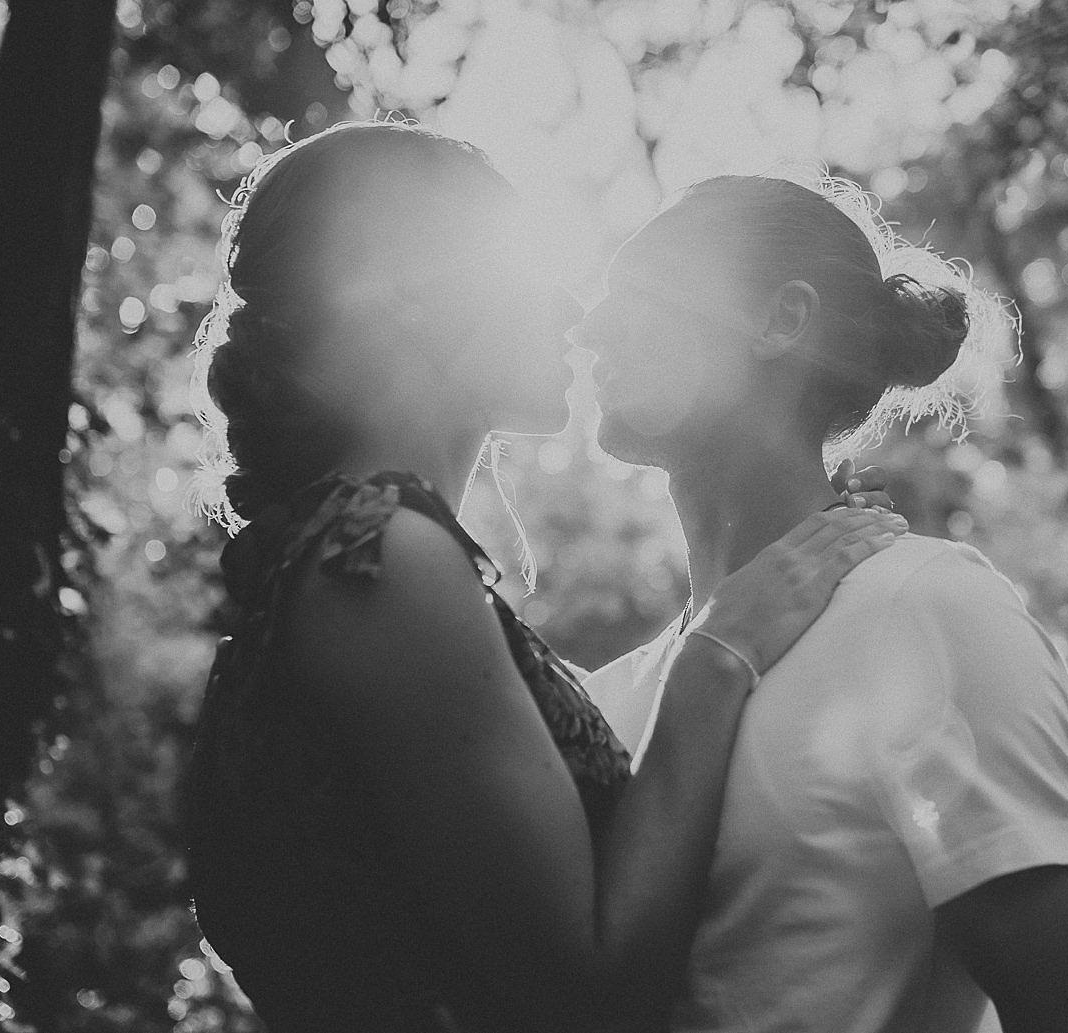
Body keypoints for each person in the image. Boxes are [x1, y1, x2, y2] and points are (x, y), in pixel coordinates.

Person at [181, 121, 907, 1033]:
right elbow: (589, 989)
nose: (570, 309)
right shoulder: (379, 560)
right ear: (410, 293)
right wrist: (719, 652)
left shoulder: (341, 557)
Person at [579, 174, 1068, 1033]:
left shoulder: (927, 612)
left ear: (780, 322)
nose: (592, 328)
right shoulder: (604, 699)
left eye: (640, 291)